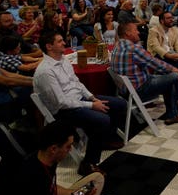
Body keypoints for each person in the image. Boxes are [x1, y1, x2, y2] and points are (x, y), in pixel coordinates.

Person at [33, 32, 126, 176]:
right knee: (102, 120)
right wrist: (91, 105)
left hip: (78, 100)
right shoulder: (45, 71)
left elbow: (76, 83)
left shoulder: (63, 59)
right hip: (64, 110)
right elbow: (61, 102)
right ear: (49, 46)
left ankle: (106, 138)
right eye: (60, 41)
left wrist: (92, 97)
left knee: (119, 104)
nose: (64, 43)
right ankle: (88, 164)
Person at [2, 120, 116, 195]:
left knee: (97, 179)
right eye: (68, 146)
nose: (70, 150)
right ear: (53, 149)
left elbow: (51, 189)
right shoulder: (32, 178)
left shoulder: (45, 158)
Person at [110, 22, 178, 126]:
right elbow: (154, 63)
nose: (138, 32)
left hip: (125, 91)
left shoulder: (117, 46)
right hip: (139, 90)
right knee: (175, 75)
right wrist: (175, 70)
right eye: (135, 30)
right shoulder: (134, 49)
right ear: (127, 33)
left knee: (168, 79)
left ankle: (173, 113)